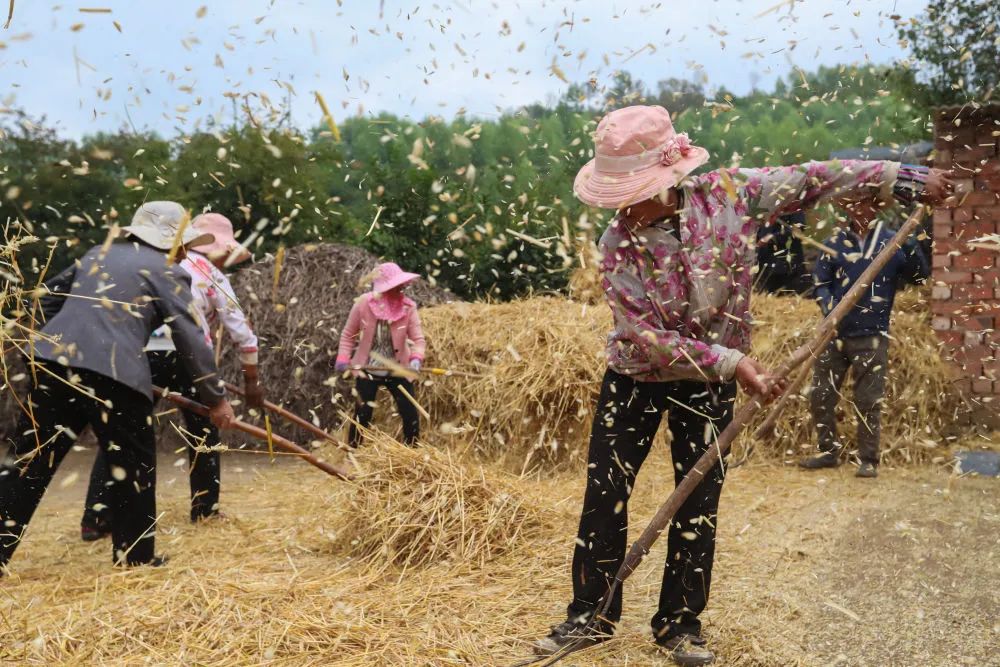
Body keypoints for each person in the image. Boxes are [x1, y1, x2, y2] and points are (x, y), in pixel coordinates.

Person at [531, 105, 953, 665]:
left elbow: (811, 177)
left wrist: (902, 176)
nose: (621, 205)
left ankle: (680, 624)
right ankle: (589, 617)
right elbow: (643, 334)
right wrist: (735, 363)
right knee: (605, 493)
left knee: (698, 499)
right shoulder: (617, 244)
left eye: (628, 191)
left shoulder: (727, 194)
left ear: (665, 182)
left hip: (708, 384)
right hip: (636, 377)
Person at [0, 202, 236, 574]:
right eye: (184, 243)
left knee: (29, 462)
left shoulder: (99, 253)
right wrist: (216, 399)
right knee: (133, 463)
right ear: (172, 242)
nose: (185, 250)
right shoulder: (168, 271)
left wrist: (54, 337)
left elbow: (46, 296)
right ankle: (135, 558)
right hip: (115, 375)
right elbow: (190, 338)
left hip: (51, 364)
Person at [80, 213, 262, 540]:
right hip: (186, 356)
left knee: (121, 432)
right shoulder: (211, 273)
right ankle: (204, 509)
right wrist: (251, 381)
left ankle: (96, 517)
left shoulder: (143, 265)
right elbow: (242, 332)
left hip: (137, 354)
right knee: (203, 431)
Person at [798, 193, 930, 478]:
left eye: (865, 203)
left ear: (876, 206)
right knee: (821, 394)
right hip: (834, 332)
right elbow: (821, 282)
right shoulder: (835, 242)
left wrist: (913, 244)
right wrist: (828, 307)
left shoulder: (892, 241)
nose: (858, 209)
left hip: (872, 333)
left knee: (868, 399)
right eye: (852, 204)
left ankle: (868, 459)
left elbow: (920, 277)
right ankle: (828, 451)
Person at [334, 262, 426, 447]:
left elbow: (418, 340)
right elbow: (347, 335)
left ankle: (412, 452)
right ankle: (353, 452)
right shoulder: (363, 304)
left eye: (400, 286)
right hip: (367, 367)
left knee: (410, 412)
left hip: (398, 368)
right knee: (363, 412)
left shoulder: (408, 307)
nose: (399, 289)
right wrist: (343, 358)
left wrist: (416, 359)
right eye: (394, 286)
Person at [754, 211, 810, 294]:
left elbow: (798, 229)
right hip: (763, 264)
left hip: (787, 268)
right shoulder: (763, 203)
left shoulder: (793, 205)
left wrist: (774, 238)